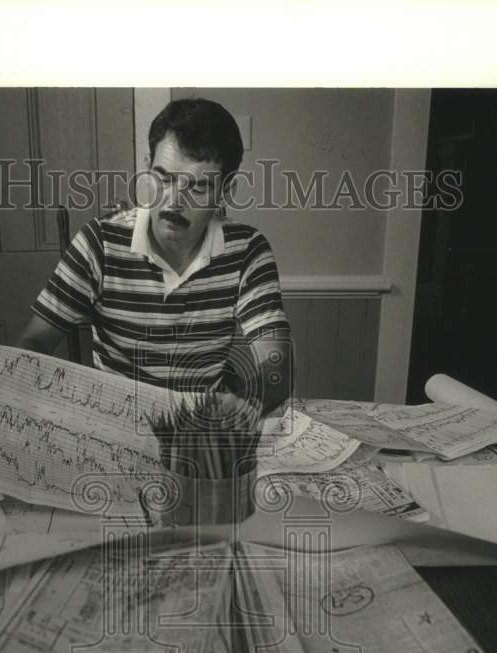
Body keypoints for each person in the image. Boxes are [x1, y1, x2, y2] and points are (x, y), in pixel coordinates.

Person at [18, 98, 292, 420]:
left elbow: (277, 365)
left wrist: (239, 408)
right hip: (114, 426)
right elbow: (33, 341)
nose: (173, 202)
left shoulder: (248, 251)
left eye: (199, 187)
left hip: (200, 427)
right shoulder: (99, 243)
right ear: (148, 168)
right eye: (163, 178)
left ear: (226, 190)